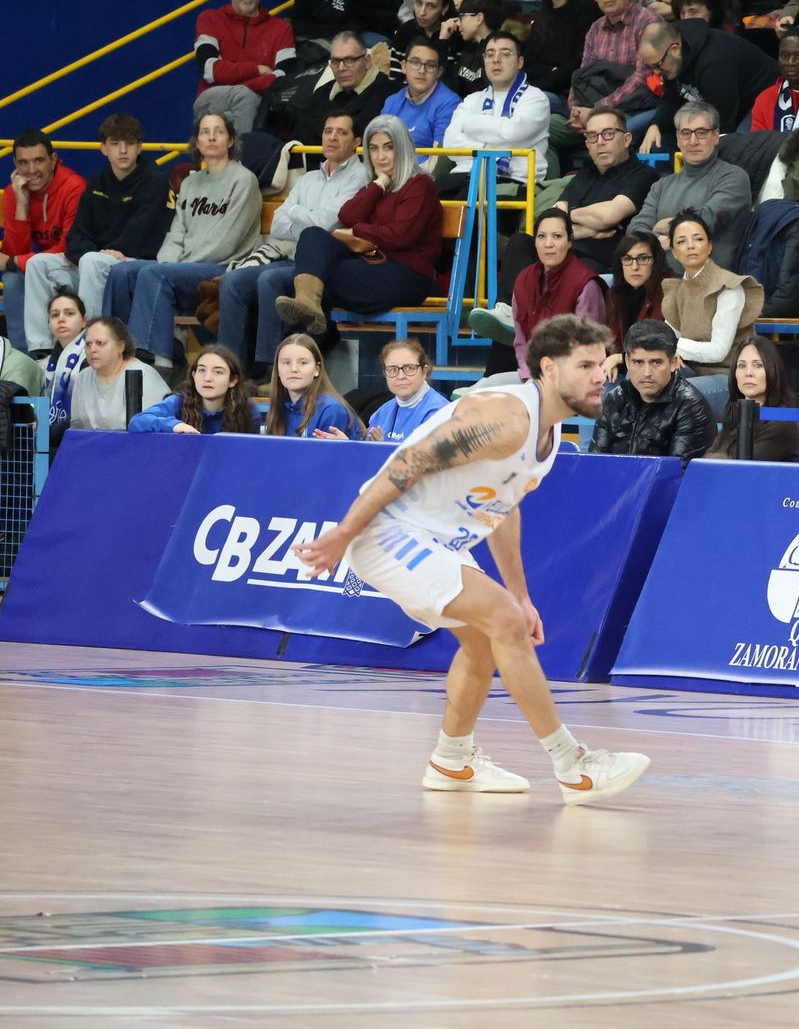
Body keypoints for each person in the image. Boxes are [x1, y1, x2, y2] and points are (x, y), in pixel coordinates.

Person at [296, 316, 650, 802]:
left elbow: (502, 509)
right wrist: (343, 533)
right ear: (547, 368)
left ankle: (452, 761)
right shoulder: (503, 418)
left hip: (439, 539)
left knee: (490, 637)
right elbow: (407, 462)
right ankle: (574, 766)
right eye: (585, 364)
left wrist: (522, 596)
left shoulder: (548, 436)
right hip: (390, 532)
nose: (600, 375)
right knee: (501, 622)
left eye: (600, 364)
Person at [215, 111, 370, 373]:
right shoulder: (309, 178)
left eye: (341, 133)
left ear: (356, 142)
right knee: (233, 281)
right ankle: (227, 368)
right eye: (327, 131)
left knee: (269, 280)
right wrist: (307, 219)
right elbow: (278, 224)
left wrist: (297, 213)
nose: (332, 138)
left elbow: (324, 226)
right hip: (292, 259)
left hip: (326, 267)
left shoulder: (361, 177)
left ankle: (270, 370)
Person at [109, 113, 261, 372]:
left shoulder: (243, 180)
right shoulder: (190, 183)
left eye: (219, 132)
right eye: (204, 132)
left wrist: (174, 268)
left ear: (232, 139)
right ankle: (115, 353)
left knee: (156, 274)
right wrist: (169, 264)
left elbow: (227, 241)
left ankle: (156, 364)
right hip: (184, 269)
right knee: (122, 272)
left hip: (222, 268)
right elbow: (176, 233)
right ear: (197, 142)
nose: (211, 137)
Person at [276, 115, 444, 337]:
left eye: (388, 148)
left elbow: (399, 235)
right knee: (313, 235)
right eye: (373, 149)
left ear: (403, 148)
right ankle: (309, 313)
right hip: (372, 263)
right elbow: (348, 215)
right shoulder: (379, 185)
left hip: (407, 274)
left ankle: (312, 346)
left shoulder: (420, 185)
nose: (380, 156)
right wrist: (378, 184)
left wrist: (357, 231)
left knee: (312, 276)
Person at [21, 115, 169, 356]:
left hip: (133, 264)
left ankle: (87, 348)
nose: (123, 150)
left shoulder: (154, 181)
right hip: (96, 262)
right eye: (115, 143)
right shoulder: (98, 180)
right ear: (103, 148)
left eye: (130, 143)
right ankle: (42, 350)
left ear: (139, 147)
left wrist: (93, 255)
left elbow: (141, 237)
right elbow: (77, 234)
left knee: (91, 261)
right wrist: (88, 253)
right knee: (39, 264)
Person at [471, 208, 607, 375]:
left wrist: (550, 381)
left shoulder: (586, 284)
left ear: (570, 240)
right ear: (535, 242)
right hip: (531, 373)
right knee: (484, 390)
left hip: (570, 378)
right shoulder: (524, 279)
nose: (548, 244)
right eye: (542, 236)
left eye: (557, 236)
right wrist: (529, 376)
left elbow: (587, 348)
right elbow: (520, 342)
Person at [0, 130, 86, 354]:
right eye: (24, 162)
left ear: (53, 159)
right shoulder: (13, 192)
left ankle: (46, 352)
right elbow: (15, 251)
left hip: (75, 268)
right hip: (41, 268)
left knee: (20, 269)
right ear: (15, 164)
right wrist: (21, 204)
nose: (31, 170)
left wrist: (13, 261)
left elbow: (68, 249)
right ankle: (23, 356)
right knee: (12, 279)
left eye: (39, 160)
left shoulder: (74, 187)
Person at [659, 209, 763, 408]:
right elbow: (666, 339)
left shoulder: (729, 287)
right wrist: (668, 349)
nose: (690, 246)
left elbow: (718, 351)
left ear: (710, 245)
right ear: (673, 251)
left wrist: (675, 347)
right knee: (640, 378)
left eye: (698, 239)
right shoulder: (677, 289)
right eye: (681, 241)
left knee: (668, 391)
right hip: (691, 372)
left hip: (728, 378)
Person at [627, 102, 753, 250]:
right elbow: (636, 229)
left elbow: (706, 220)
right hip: (659, 271)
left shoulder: (734, 177)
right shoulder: (660, 186)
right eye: (686, 133)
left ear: (716, 136)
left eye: (701, 133)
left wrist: (667, 226)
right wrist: (656, 244)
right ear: (678, 139)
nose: (693, 141)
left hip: (709, 272)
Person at [589, 318, 716, 461]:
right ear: (627, 363)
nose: (646, 373)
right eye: (638, 362)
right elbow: (595, 464)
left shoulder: (691, 407)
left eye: (656, 362)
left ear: (674, 363)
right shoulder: (615, 399)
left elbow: (676, 475)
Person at [557, 105, 662, 272]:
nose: (600, 142)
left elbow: (608, 216)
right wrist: (585, 231)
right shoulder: (584, 175)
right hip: (565, 254)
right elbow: (553, 221)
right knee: (521, 243)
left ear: (626, 140)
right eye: (592, 136)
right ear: (587, 144)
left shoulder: (643, 176)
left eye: (608, 134)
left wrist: (569, 214)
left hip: (602, 262)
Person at [442, 31, 551, 193]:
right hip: (464, 176)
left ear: (520, 62)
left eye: (505, 54)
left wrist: (470, 125)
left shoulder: (536, 98)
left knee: (470, 197)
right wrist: (495, 150)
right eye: (490, 54)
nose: (496, 60)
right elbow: (450, 143)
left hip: (514, 182)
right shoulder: (471, 99)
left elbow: (512, 133)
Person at [193, 0, 296, 134]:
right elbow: (210, 70)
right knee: (245, 98)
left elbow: (284, 77)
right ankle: (241, 160)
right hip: (214, 97)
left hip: (258, 100)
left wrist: (239, 83)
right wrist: (256, 69)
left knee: (251, 101)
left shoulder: (281, 28)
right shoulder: (209, 19)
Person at [637, 18, 777, 142]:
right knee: (644, 132)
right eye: (650, 67)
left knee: (735, 148)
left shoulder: (714, 62)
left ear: (675, 49)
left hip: (762, 101)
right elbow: (671, 99)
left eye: (657, 65)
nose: (656, 72)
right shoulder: (671, 61)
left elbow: (723, 124)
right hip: (710, 107)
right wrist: (656, 125)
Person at [565, 0, 660, 141]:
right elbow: (581, 76)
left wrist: (596, 111)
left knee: (613, 135)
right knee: (546, 131)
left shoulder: (648, 22)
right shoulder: (595, 28)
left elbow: (641, 79)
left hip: (633, 110)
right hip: (593, 112)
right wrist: (575, 110)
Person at [292, 33, 400, 148]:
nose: (341, 68)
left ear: (367, 61)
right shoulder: (321, 94)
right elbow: (303, 142)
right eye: (335, 61)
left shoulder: (392, 95)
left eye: (350, 60)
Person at [704, 335, 799, 460]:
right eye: (741, 366)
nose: (748, 373)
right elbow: (707, 460)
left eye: (758, 365)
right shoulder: (735, 414)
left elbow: (744, 467)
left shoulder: (783, 423)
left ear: (772, 370)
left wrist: (719, 458)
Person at [525, 0, 603, 111]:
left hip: (571, 97)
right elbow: (528, 64)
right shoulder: (541, 16)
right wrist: (552, 69)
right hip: (539, 91)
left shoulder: (588, 9)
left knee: (528, 101)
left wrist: (532, 88)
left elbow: (577, 66)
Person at [128, 346, 260, 435]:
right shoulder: (180, 400)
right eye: (201, 370)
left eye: (218, 372)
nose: (207, 378)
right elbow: (138, 421)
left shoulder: (247, 410)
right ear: (194, 376)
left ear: (233, 380)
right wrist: (174, 425)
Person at [68, 318, 169, 431]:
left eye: (100, 343)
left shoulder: (143, 375)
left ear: (121, 346)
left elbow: (157, 428)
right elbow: (76, 427)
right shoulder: (83, 377)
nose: (92, 349)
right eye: (88, 344)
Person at [266, 333, 363, 438]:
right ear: (277, 371)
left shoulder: (331, 409)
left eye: (303, 363)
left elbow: (328, 454)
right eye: (286, 363)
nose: (293, 369)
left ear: (317, 369)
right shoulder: (280, 407)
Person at [380, 38, 461, 156]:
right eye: (415, 62)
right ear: (403, 66)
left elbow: (440, 159)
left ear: (439, 72)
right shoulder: (391, 102)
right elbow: (380, 148)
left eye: (431, 65)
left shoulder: (450, 104)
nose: (422, 70)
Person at [366, 339, 452, 442]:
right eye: (392, 369)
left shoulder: (439, 414)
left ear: (424, 371)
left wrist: (383, 450)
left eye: (409, 368)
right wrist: (347, 444)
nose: (401, 376)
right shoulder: (382, 413)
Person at [375, 0, 455, 82]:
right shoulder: (405, 32)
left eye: (431, 6)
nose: (422, 12)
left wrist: (443, 42)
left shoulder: (456, 34)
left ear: (444, 8)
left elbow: (449, 82)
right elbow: (395, 81)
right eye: (419, 3)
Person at [605, 231, 674, 348]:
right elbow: (612, 342)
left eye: (642, 259)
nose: (634, 267)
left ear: (656, 261)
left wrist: (621, 358)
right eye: (627, 259)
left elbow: (657, 344)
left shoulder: (667, 292)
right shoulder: (615, 294)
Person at [443, 0, 505, 96]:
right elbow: (449, 88)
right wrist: (443, 42)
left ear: (479, 18)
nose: (458, 23)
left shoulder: (501, 51)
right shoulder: (468, 50)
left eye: (461, 16)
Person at [43, 291, 88, 430]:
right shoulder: (47, 364)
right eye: (55, 315)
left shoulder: (92, 354)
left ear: (84, 320)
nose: (61, 319)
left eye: (69, 313)